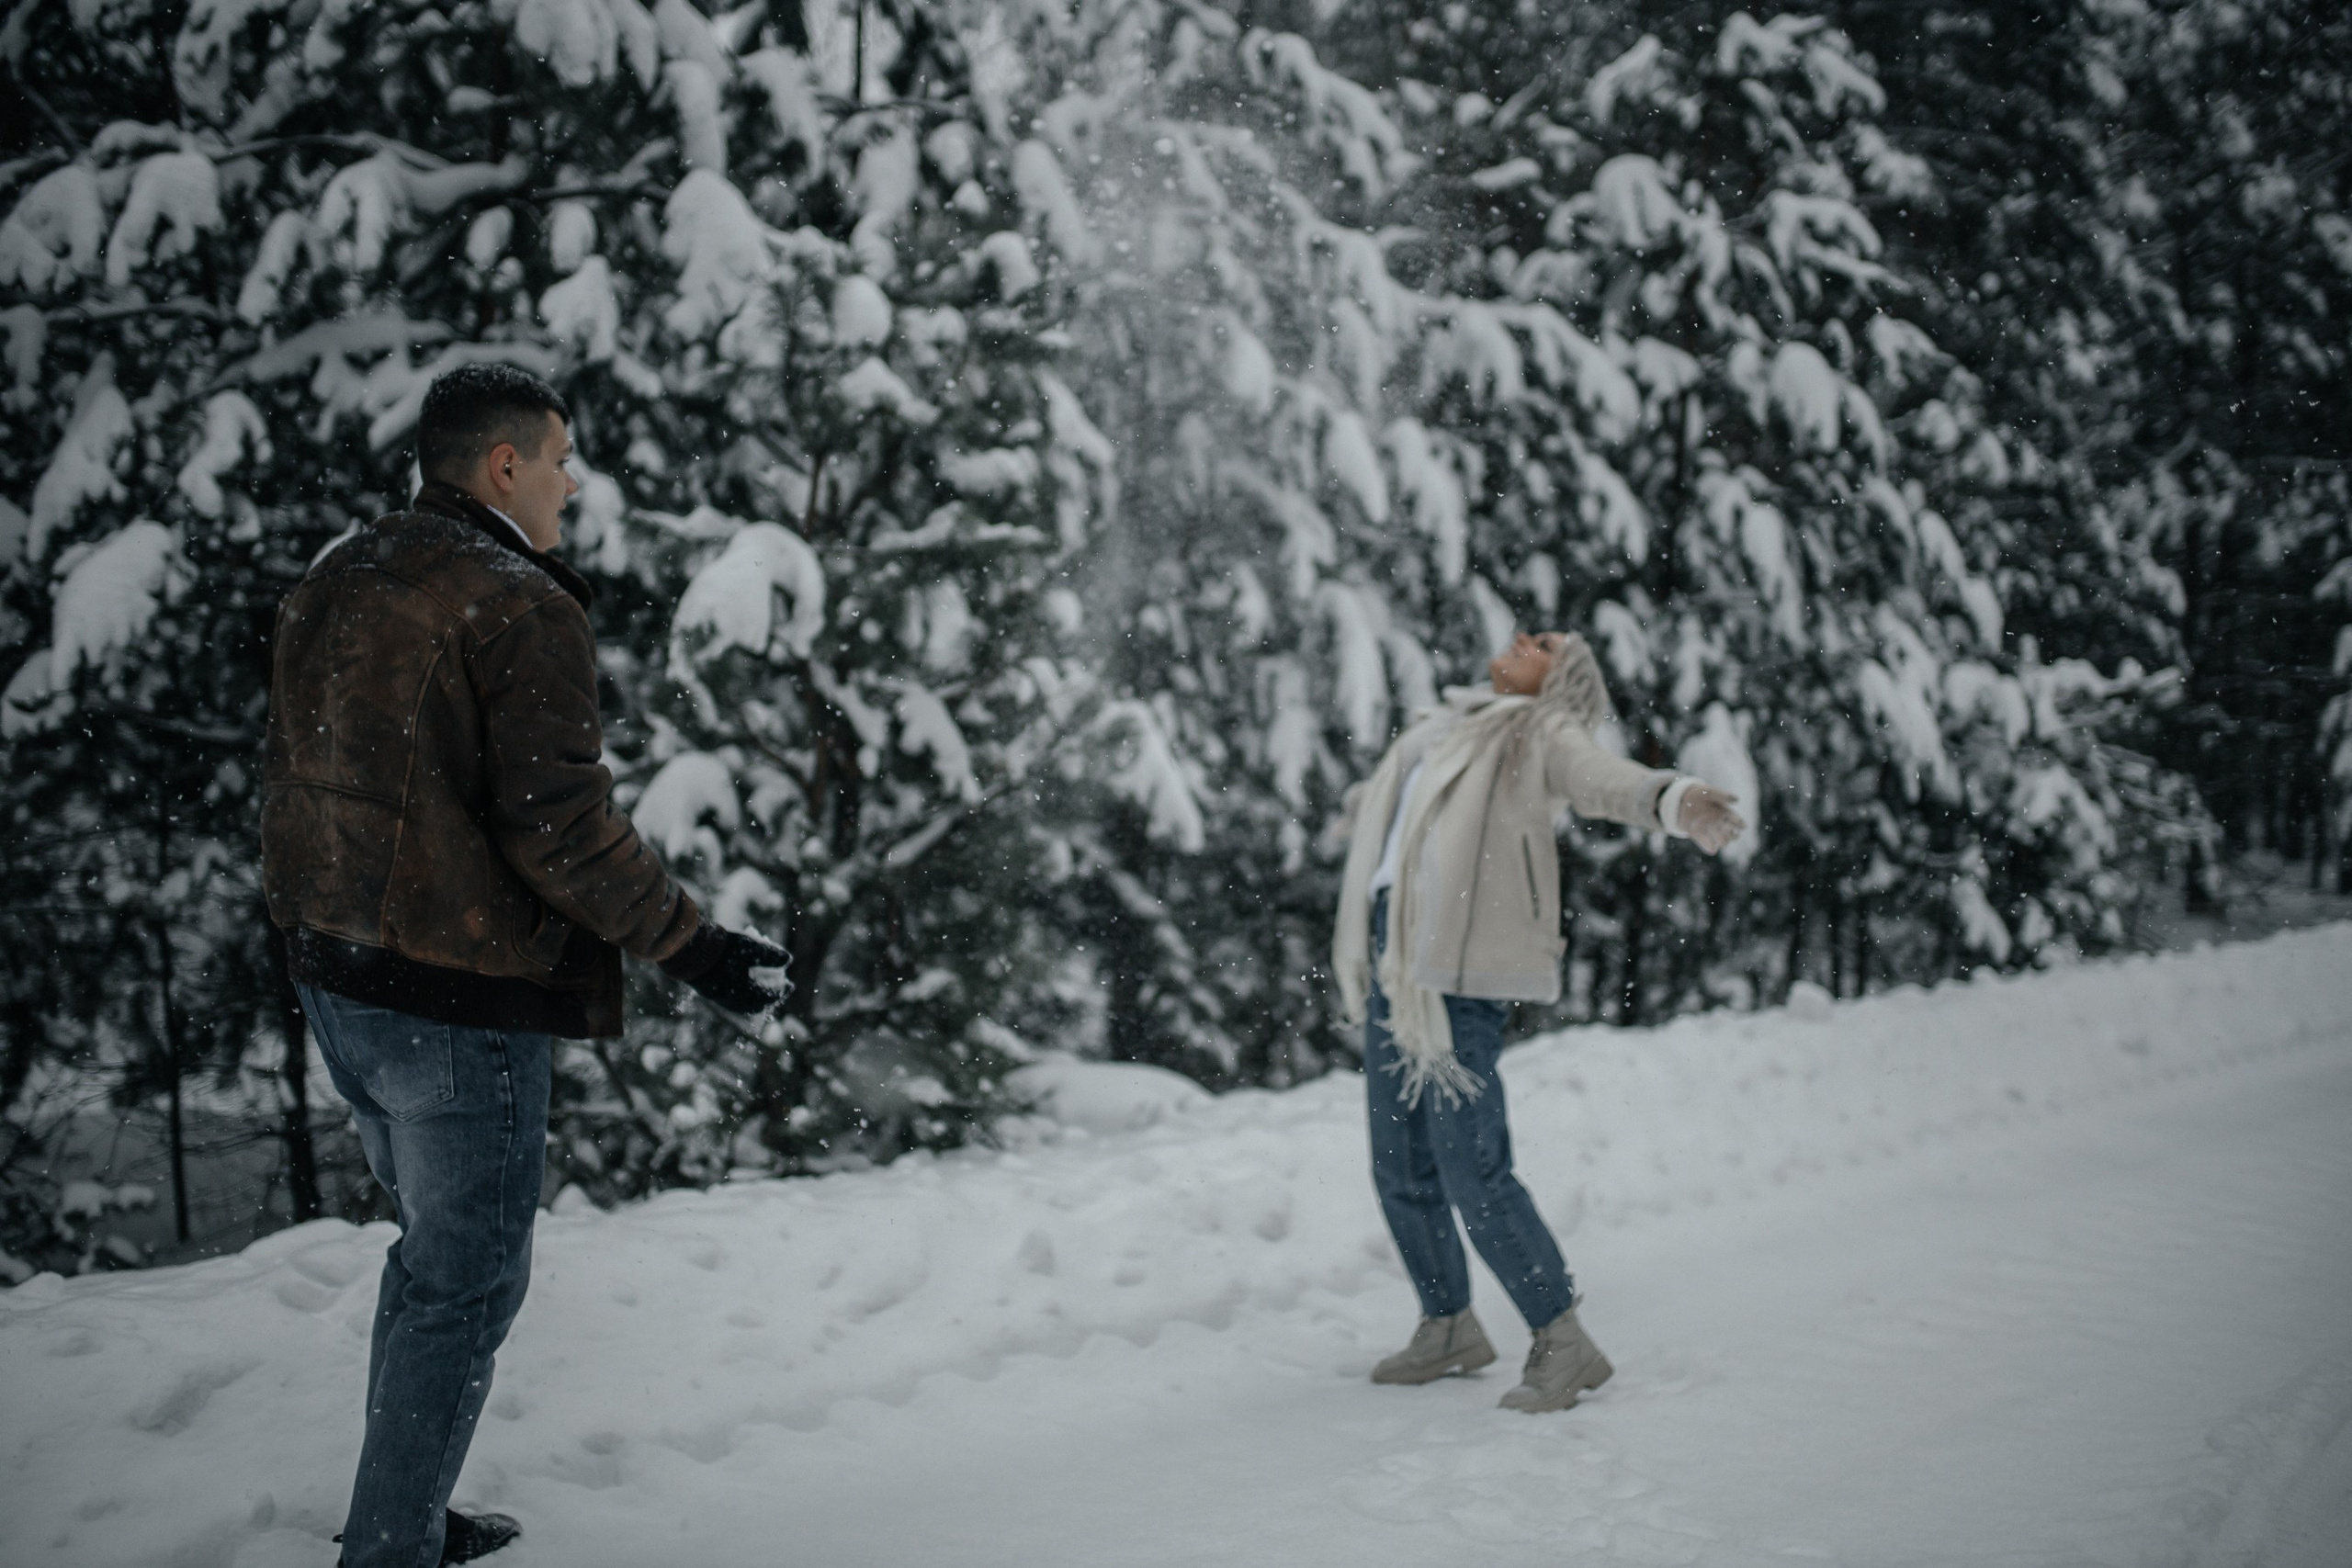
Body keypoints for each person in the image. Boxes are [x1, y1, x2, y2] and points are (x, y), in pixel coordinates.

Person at [262, 363, 790, 1566]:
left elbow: (305, 775)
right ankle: (391, 1545)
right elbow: (563, 831)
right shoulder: (516, 603)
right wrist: (700, 949)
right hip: (452, 998)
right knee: (465, 1282)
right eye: (559, 459)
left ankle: (401, 1507)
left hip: (337, 974)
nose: (570, 483)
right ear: (504, 465)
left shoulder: (344, 570)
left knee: (434, 1263)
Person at [1332, 630, 1745, 1413]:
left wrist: (1672, 798)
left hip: (1458, 968)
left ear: (1564, 680)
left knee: (1469, 1166)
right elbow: (1404, 820)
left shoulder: (1537, 732)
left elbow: (1600, 778)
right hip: (1399, 961)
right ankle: (1449, 1322)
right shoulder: (1448, 728)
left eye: (1547, 643)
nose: (1525, 637)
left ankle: (1563, 1338)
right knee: (1399, 1161)